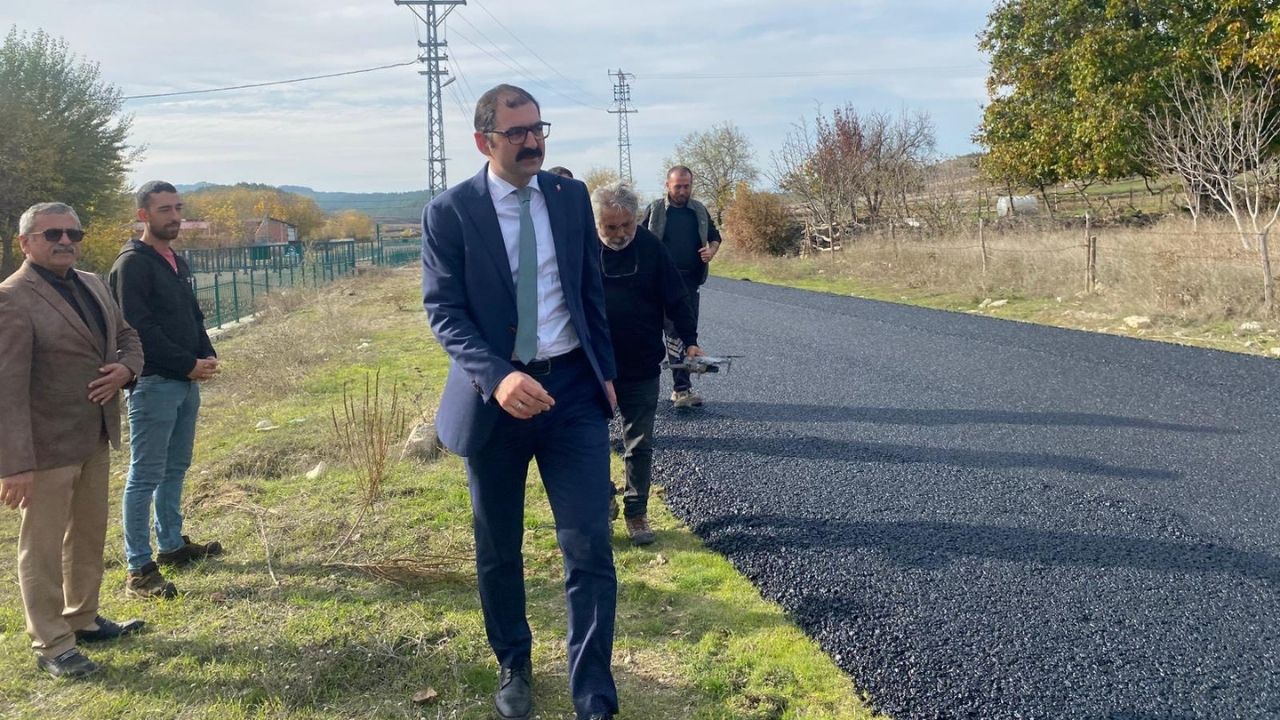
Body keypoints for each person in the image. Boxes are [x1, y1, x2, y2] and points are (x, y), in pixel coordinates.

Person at [420, 84, 620, 720]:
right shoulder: (450, 212)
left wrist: (606, 371)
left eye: (538, 129)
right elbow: (444, 312)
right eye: (517, 133)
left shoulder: (569, 197)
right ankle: (514, 664)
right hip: (496, 403)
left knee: (589, 543)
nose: (533, 142)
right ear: (485, 141)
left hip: (572, 391)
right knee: (499, 547)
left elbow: (588, 289)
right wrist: (497, 376)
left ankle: (593, 690)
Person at [0, 202, 147, 678]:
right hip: (44, 449)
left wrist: (126, 369)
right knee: (41, 548)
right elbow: (6, 388)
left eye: (73, 233)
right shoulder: (11, 298)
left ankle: (82, 617)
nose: (65, 241)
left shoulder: (93, 283)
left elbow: (128, 336)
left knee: (87, 533)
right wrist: (13, 463)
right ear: (25, 242)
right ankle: (52, 643)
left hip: (94, 436)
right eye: (52, 234)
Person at [109, 181, 222, 601]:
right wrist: (185, 363)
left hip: (184, 381)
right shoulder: (132, 265)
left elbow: (191, 315)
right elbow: (139, 330)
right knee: (145, 476)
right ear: (143, 215)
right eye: (164, 210)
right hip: (154, 383)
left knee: (176, 467)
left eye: (178, 208)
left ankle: (172, 545)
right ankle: (139, 568)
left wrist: (205, 353)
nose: (174, 217)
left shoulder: (175, 260)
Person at [593, 182, 701, 546]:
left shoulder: (652, 248)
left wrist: (690, 340)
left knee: (639, 443)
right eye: (610, 227)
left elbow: (677, 298)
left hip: (640, 363)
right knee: (590, 442)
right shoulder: (581, 250)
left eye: (626, 225)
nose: (620, 234)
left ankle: (636, 513)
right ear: (596, 223)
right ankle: (602, 500)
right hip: (592, 368)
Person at [640, 165, 722, 408]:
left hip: (689, 283)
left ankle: (681, 389)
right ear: (667, 185)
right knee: (655, 335)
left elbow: (715, 236)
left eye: (687, 186)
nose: (683, 191)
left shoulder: (698, 210)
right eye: (678, 187)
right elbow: (637, 239)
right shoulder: (655, 210)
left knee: (684, 334)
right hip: (658, 283)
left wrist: (711, 251)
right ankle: (639, 390)